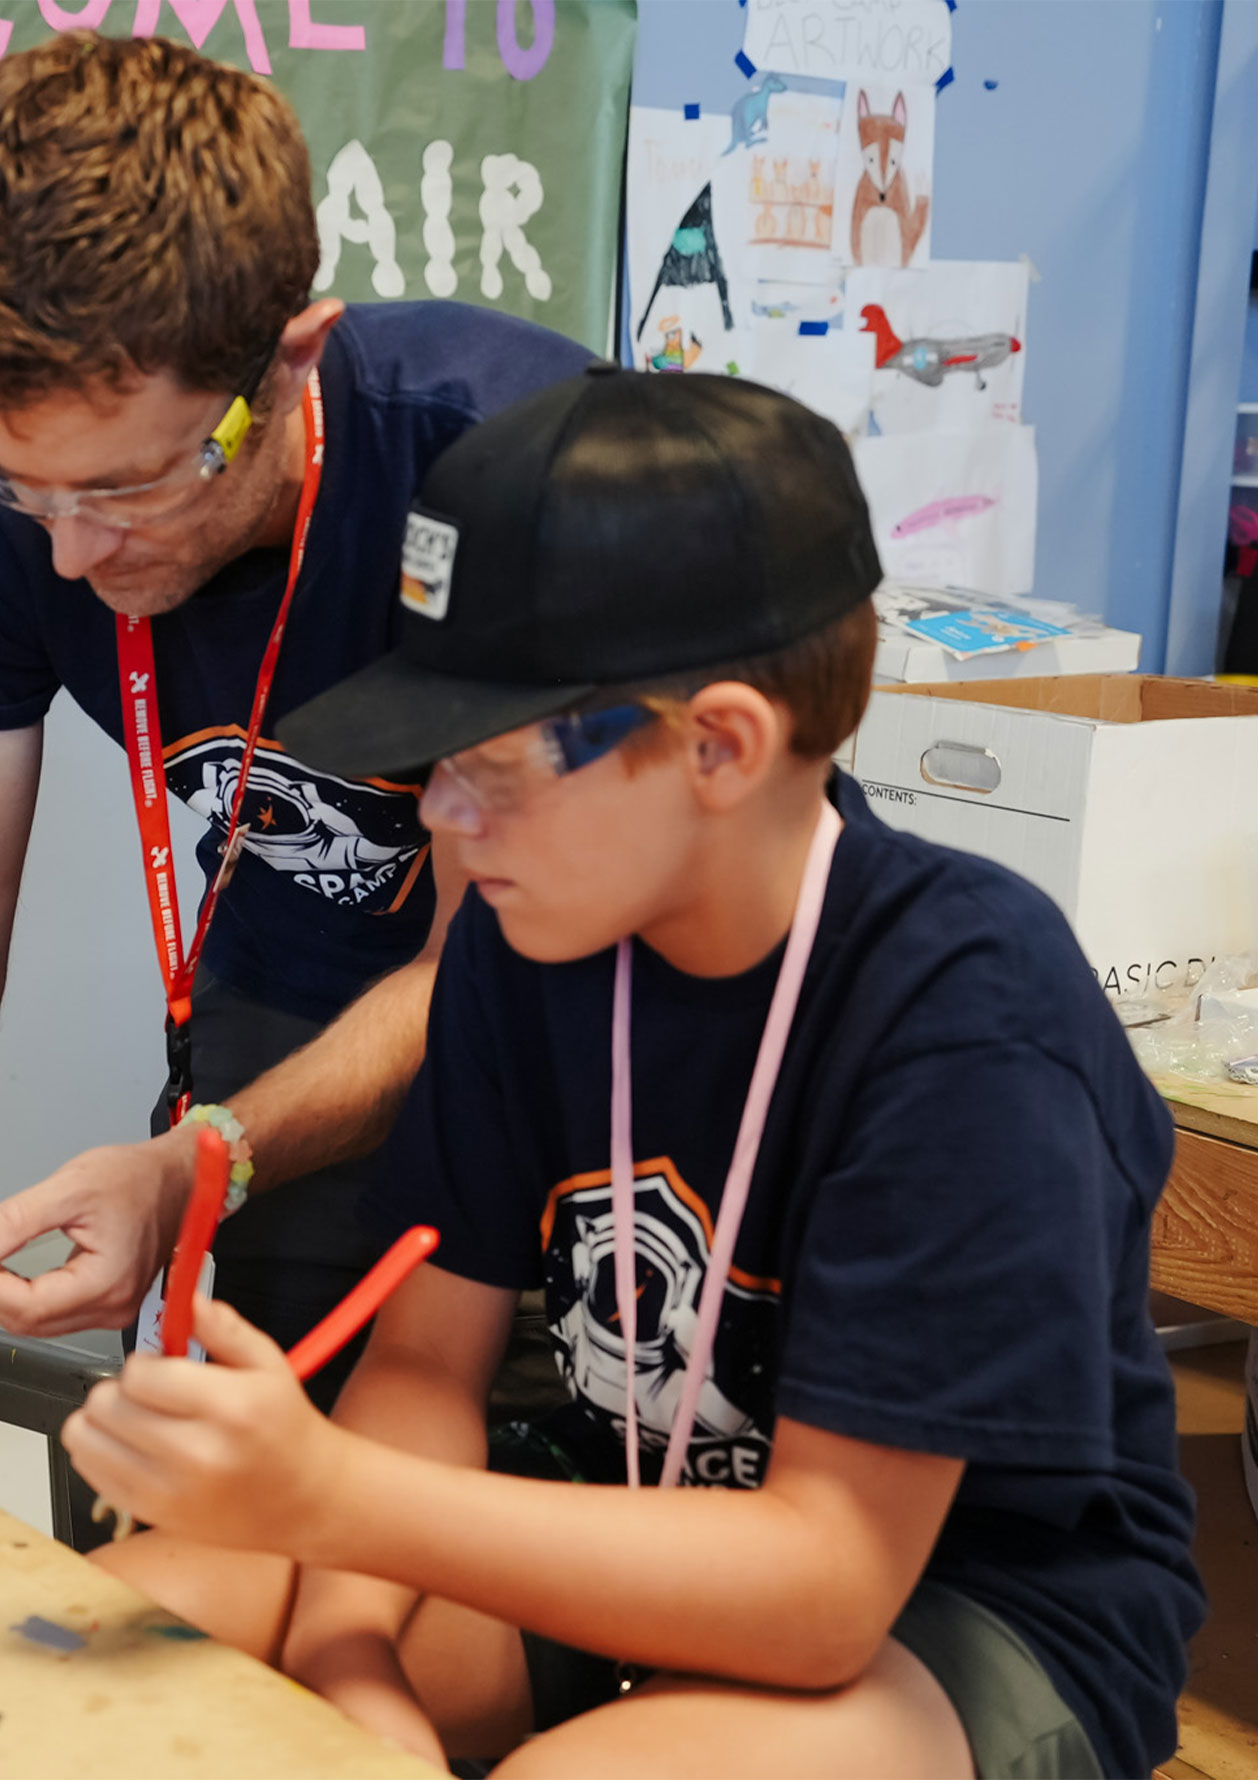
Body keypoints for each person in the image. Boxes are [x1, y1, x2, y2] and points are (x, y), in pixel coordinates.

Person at [60, 370, 1204, 1777]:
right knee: (126, 1650)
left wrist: (327, 1499)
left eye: (485, 764)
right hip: (621, 1502)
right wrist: (347, 1666)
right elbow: (421, 1363)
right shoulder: (525, 939)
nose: (440, 820)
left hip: (944, 1610)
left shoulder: (964, 1011)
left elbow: (823, 1590)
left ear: (717, 743)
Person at [0, 31, 589, 1388]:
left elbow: (480, 961)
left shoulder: (506, 458)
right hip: (261, 1061)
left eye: (131, 488)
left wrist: (204, 1161)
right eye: (28, 486)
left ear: (293, 361)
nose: (69, 552)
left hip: (568, 1077)